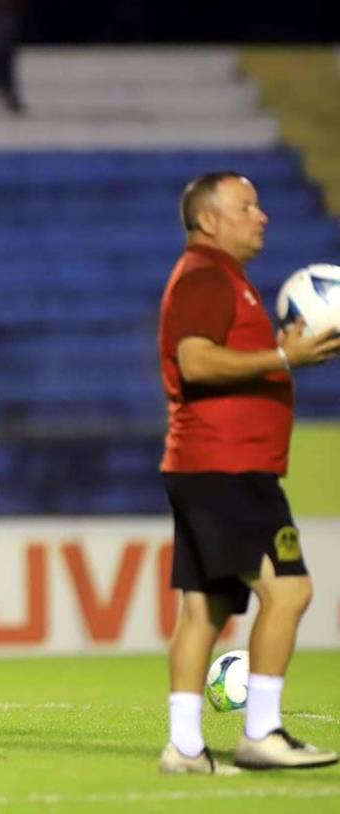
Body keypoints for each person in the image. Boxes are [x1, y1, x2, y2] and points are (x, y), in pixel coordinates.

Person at [157, 172, 340, 773]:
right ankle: (261, 733)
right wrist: (284, 355)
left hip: (205, 464)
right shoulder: (206, 276)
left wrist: (281, 353)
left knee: (205, 609)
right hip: (228, 466)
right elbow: (195, 361)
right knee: (289, 591)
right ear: (209, 221)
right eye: (246, 207)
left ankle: (185, 747)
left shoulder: (219, 278)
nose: (261, 216)